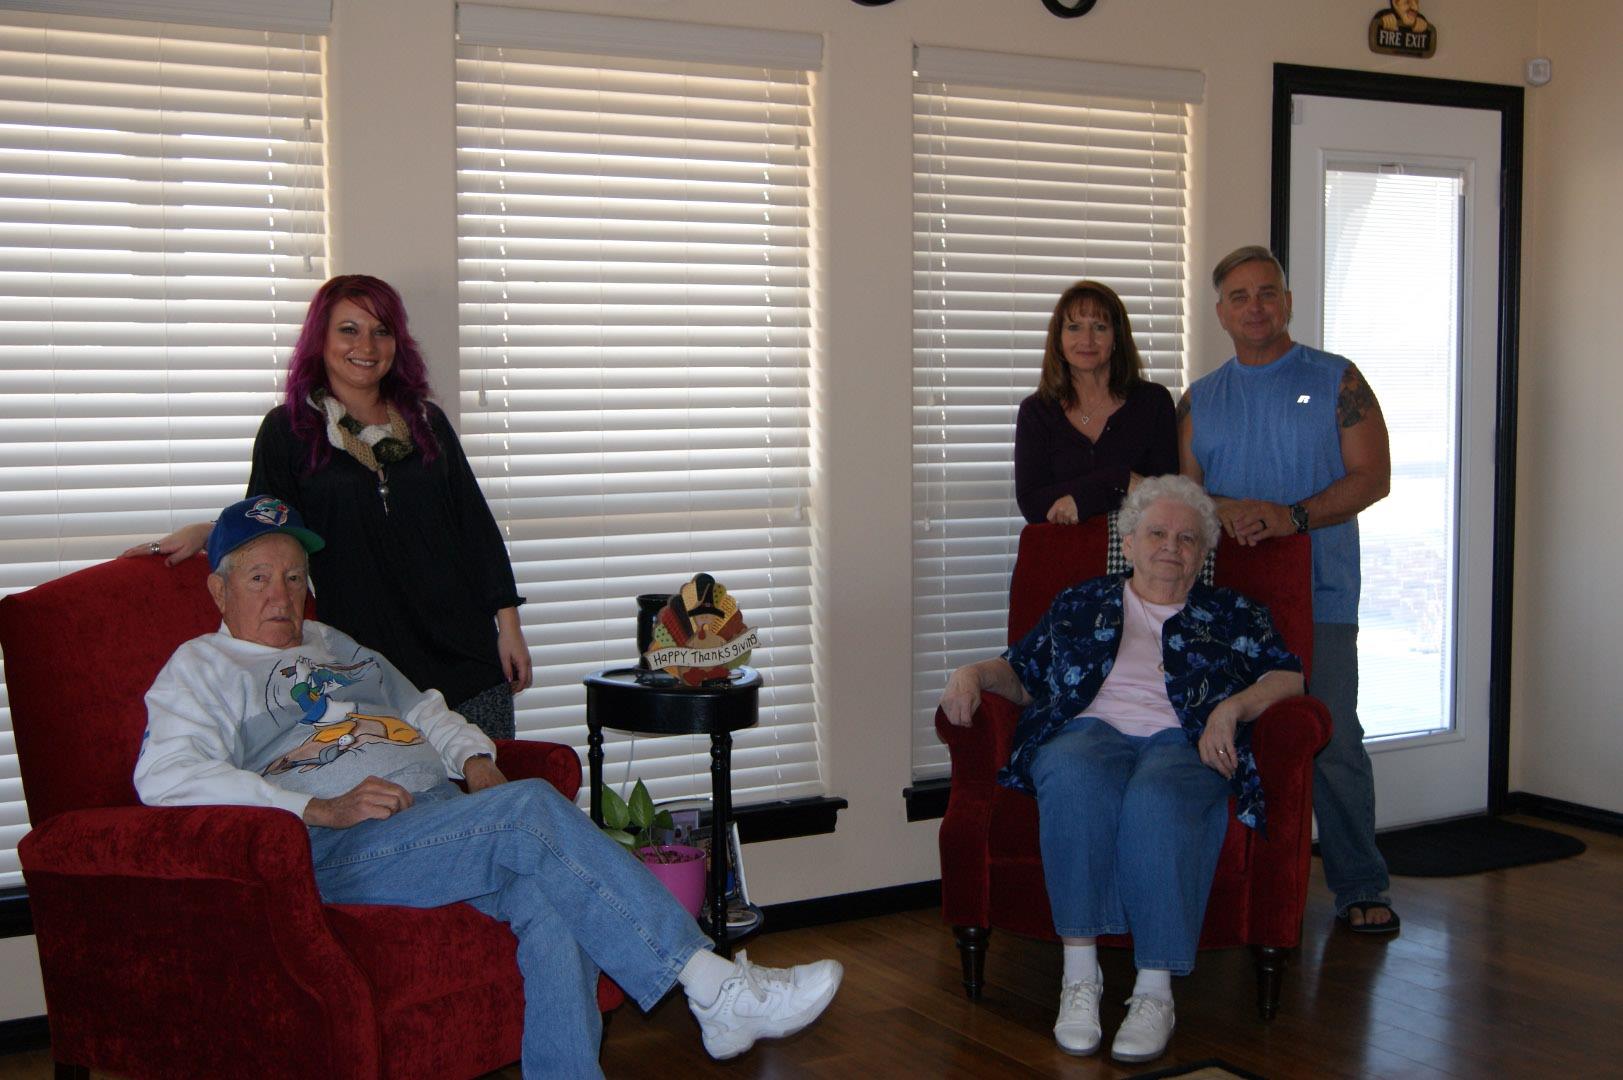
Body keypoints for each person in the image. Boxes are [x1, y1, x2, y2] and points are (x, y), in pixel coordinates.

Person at [134, 495, 842, 1077]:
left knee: (547, 896)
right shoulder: (201, 668)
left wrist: (474, 760)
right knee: (531, 807)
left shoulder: (338, 645)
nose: (281, 595)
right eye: (258, 578)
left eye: (293, 577)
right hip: (335, 847)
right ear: (217, 589)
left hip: (433, 821)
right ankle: (711, 984)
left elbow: (423, 711)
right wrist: (316, 806)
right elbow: (164, 776)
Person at [940, 476, 1303, 1063]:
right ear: (1128, 542)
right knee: (1074, 776)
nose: (1171, 546)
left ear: (1204, 552)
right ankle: (1080, 979)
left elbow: (1289, 676)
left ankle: (1155, 991)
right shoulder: (1081, 603)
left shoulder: (1234, 613)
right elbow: (1023, 672)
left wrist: (1230, 710)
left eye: (1188, 537)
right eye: (1156, 532)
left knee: (1158, 799)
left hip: (1184, 739)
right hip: (1091, 731)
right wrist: (973, 674)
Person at [123, 275, 529, 740]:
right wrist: (207, 529)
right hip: (366, 671)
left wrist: (509, 628)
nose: (367, 345)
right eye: (349, 330)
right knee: (404, 805)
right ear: (321, 339)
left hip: (467, 663)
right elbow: (269, 525)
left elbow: (475, 528)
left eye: (381, 330)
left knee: (491, 800)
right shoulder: (288, 432)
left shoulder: (426, 425)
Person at [1178, 245, 1398, 934]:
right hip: (1222, 606)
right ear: (1220, 312)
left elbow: (1372, 476)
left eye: (1266, 292)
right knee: (1213, 739)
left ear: (1288, 301)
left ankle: (1360, 884)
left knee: (1330, 741)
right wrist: (1227, 510)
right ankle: (1215, 882)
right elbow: (1182, 496)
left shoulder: (1337, 380)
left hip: (1320, 599)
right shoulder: (1198, 398)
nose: (1255, 306)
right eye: (1239, 296)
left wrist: (1290, 516)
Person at [1014, 280, 1178, 525]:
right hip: (1059, 557)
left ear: (1117, 338)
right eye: (1074, 327)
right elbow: (1034, 506)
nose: (1087, 340)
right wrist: (1118, 480)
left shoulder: (1153, 402)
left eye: (1100, 327)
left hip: (1137, 559)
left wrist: (1077, 499)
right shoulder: (1036, 412)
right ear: (1058, 340)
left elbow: (1164, 497)